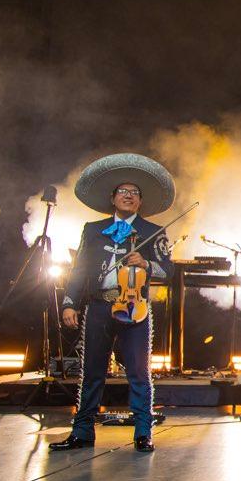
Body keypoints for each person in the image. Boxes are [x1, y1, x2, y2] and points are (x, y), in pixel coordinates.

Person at [52, 153, 175, 454]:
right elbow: (79, 268)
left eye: (134, 193)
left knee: (138, 370)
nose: (128, 196)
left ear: (140, 202)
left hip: (135, 307)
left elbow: (168, 271)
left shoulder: (152, 231)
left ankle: (143, 431)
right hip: (97, 305)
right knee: (92, 369)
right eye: (123, 192)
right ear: (112, 197)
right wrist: (69, 303)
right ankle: (82, 432)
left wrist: (146, 263)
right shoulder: (93, 229)